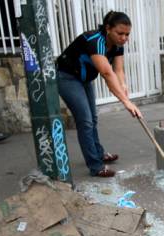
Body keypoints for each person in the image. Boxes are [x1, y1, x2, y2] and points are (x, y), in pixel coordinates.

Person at [57, 11, 142, 177]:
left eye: (127, 34)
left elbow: (118, 70)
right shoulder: (95, 41)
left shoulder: (118, 45)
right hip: (67, 77)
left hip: (84, 79)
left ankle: (99, 154)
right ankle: (96, 166)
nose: (124, 38)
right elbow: (107, 73)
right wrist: (126, 102)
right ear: (108, 28)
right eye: (120, 33)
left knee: (93, 119)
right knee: (85, 121)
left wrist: (123, 85)